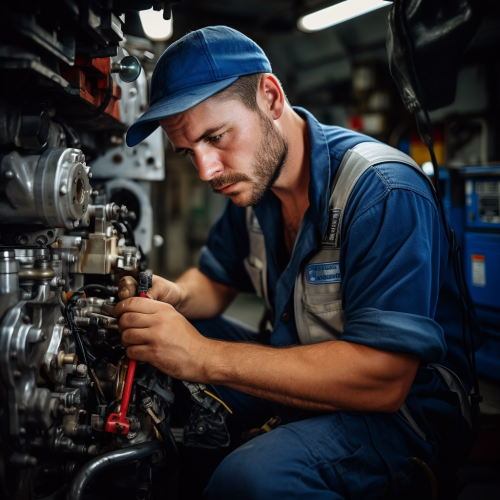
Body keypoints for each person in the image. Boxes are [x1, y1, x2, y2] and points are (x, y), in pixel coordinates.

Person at [116, 26, 477, 499]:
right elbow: (215, 280)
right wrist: (177, 296)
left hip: (406, 412)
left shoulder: (382, 192)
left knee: (249, 480)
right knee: (153, 358)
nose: (207, 170)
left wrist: (203, 357)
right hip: (309, 361)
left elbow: (385, 379)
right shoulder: (253, 189)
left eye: (216, 137)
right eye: (189, 153)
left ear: (269, 97)